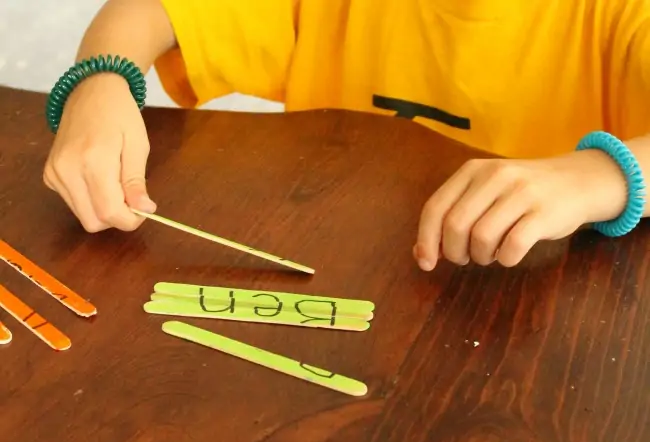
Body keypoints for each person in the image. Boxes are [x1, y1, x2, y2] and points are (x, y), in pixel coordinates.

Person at [43, 0, 649, 272]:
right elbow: (149, 11)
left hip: (534, 328)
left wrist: (603, 175)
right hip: (346, 296)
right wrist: (99, 80)